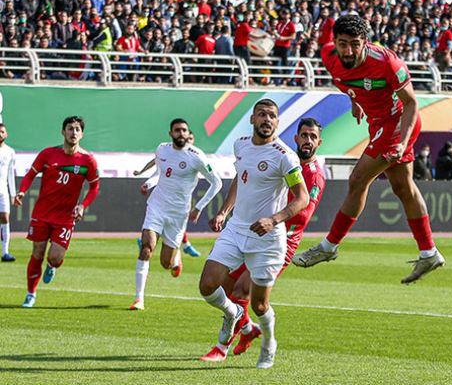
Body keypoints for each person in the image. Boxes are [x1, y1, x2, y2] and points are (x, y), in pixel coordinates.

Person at [294, 15, 444, 284]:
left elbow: (411, 104)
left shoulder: (387, 62)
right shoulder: (329, 55)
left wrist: (401, 141)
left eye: (355, 44)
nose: (348, 51)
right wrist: (356, 100)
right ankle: (429, 252)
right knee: (403, 188)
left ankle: (329, 247)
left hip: (398, 123)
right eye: (343, 44)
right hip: (377, 123)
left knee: (358, 179)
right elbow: (349, 82)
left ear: (365, 42)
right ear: (334, 43)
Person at [201, 117, 326, 362]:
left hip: (279, 240)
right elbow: (245, 179)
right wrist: (226, 211)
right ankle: (248, 331)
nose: (308, 140)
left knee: (244, 291)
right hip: (251, 231)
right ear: (296, 138)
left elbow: (303, 215)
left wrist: (273, 220)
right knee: (223, 286)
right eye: (304, 135)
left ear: (319, 142)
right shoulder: (279, 157)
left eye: (313, 137)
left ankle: (222, 346)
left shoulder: (314, 176)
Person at [130, 119, 223, 311]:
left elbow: (217, 182)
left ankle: (175, 260)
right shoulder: (162, 149)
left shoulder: (196, 156)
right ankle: (139, 299)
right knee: (147, 247)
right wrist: (148, 183)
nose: (181, 133)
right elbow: (161, 172)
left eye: (184, 130)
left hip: (179, 214)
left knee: (166, 263)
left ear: (188, 133)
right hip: (156, 206)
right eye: (177, 130)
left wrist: (199, 207)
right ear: (170, 133)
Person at [13, 116, 100, 308]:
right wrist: (21, 191)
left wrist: (83, 205)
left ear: (82, 134)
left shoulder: (87, 160)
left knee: (54, 257)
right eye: (70, 129)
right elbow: (30, 175)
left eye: (77, 129)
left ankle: (52, 266)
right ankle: (30, 294)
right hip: (42, 213)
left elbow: (94, 187)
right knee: (37, 252)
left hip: (66, 217)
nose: (73, 132)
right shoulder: (48, 154)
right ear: (63, 132)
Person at [132, 130, 204, 258]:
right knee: (156, 232)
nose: (189, 141)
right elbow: (157, 166)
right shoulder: (168, 153)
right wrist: (145, 178)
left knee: (173, 231)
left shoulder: (195, 157)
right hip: (162, 200)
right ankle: (183, 246)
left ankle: (180, 251)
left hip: (181, 202)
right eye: (188, 138)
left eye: (191, 139)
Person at [0, 123, 16, 262]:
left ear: (6, 134)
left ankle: (5, 252)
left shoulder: (10, 152)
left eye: (2, 131)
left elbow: (10, 174)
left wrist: (13, 194)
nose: (0, 134)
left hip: (3, 190)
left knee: (5, 218)